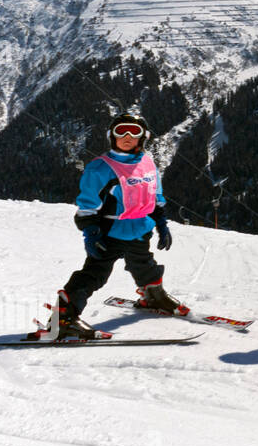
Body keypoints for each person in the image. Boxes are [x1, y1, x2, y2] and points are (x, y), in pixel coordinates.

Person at [49, 113, 183, 339]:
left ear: (143, 137)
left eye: (134, 131)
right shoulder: (100, 169)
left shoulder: (148, 164)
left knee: (144, 264)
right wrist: (91, 233)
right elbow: (87, 206)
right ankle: (64, 319)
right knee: (94, 274)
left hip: (141, 228)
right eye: (121, 131)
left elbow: (155, 196)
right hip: (110, 232)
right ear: (112, 136)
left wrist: (161, 223)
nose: (128, 136)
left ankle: (153, 295)